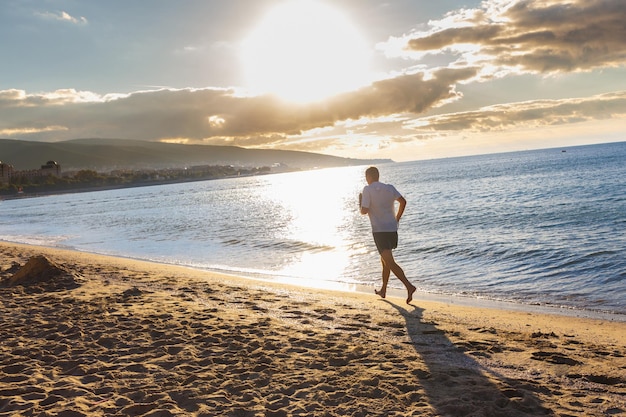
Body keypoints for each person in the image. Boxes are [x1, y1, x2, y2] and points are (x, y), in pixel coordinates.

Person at [359, 166, 416, 304]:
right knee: (385, 260)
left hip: (379, 231)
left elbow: (364, 211)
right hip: (392, 229)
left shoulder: (367, 190)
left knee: (389, 261)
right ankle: (383, 289)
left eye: (366, 177)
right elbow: (403, 202)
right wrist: (397, 218)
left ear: (369, 177)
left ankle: (409, 286)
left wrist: (360, 202)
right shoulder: (389, 187)